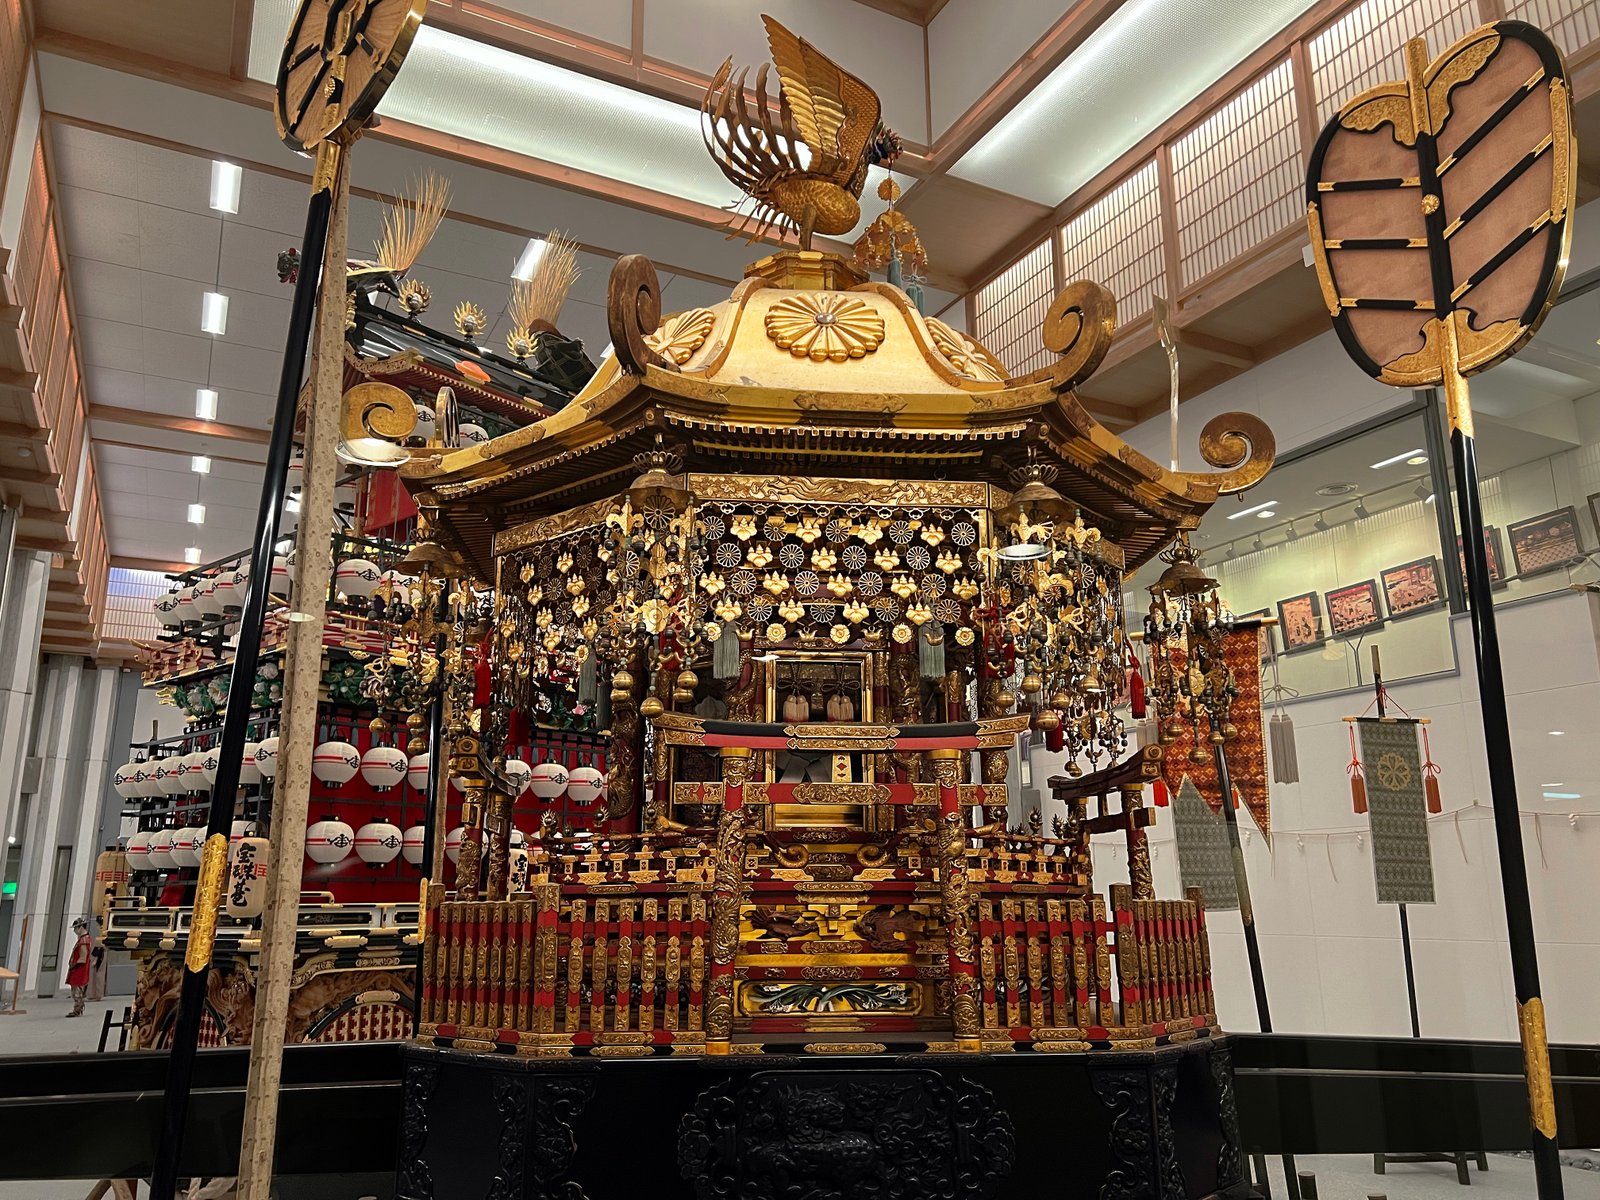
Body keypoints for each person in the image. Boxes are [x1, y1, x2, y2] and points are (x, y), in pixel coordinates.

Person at [65, 917, 91, 1017]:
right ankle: (78, 1008)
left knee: (77, 991)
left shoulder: (83, 940)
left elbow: (83, 957)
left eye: (76, 928)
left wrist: (74, 966)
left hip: (79, 969)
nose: (75, 930)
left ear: (80, 927)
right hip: (78, 968)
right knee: (76, 990)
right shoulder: (83, 939)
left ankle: (78, 1009)